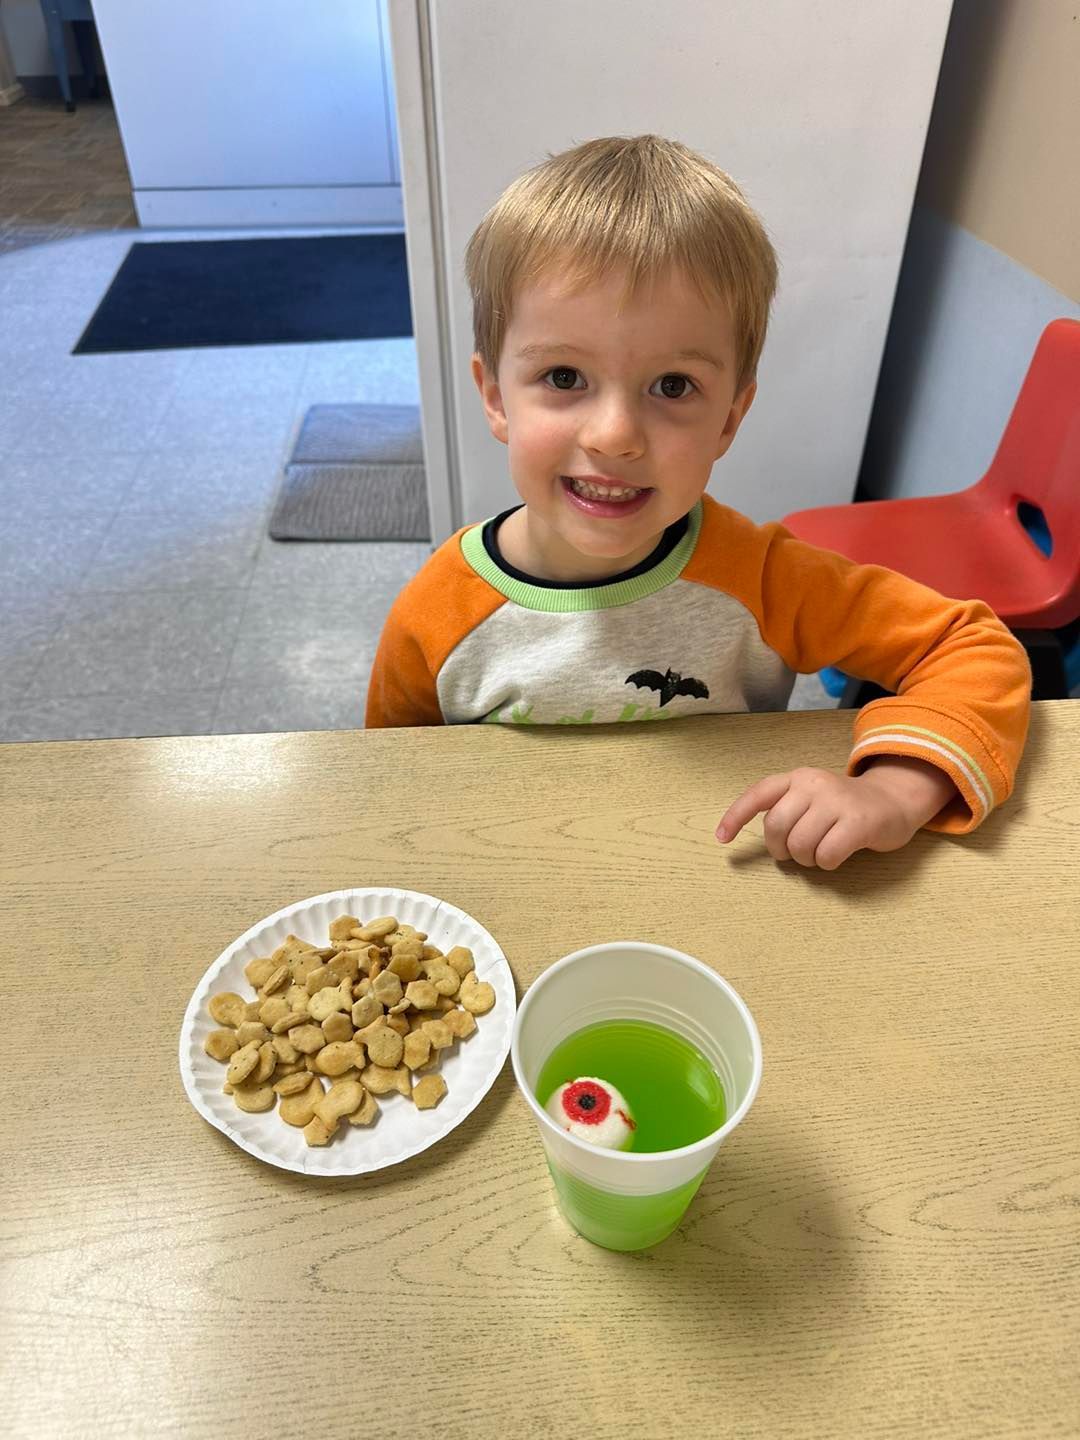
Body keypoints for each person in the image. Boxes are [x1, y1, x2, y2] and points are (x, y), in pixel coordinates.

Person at [366, 134, 1030, 870]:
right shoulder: (436, 614)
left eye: (673, 386)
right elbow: (384, 790)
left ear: (730, 419)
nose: (615, 436)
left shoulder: (762, 576)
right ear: (495, 397)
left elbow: (971, 648)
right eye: (562, 377)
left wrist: (894, 790)